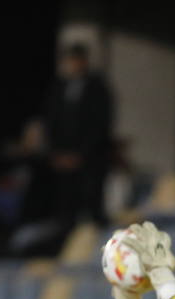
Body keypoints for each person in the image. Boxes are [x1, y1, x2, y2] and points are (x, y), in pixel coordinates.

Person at [45, 43, 113, 227]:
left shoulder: (97, 88)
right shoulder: (59, 87)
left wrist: (81, 155)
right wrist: (57, 152)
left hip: (88, 159)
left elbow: (100, 125)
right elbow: (51, 121)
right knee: (65, 209)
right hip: (63, 158)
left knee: (92, 205)